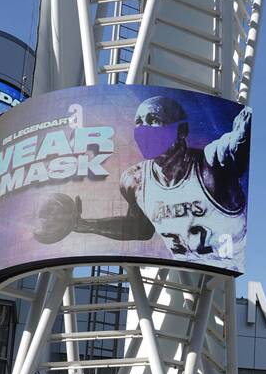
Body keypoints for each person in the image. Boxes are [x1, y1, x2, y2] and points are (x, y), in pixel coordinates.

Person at [33, 95, 250, 265]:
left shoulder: (209, 164)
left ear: (181, 130)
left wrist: (241, 135)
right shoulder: (134, 180)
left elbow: (229, 149)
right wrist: (82, 224)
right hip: (191, 264)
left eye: (154, 120)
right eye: (139, 123)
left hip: (230, 267)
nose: (143, 129)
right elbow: (141, 229)